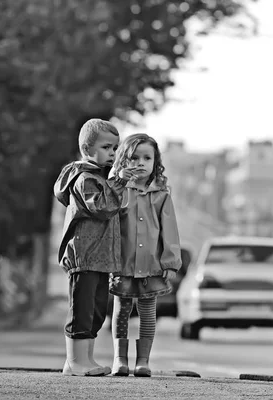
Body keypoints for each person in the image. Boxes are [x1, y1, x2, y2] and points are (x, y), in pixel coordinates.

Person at [54, 119, 139, 376]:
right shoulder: (84, 179)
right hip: (85, 255)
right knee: (82, 309)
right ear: (87, 149)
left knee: (97, 310)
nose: (113, 154)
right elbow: (101, 208)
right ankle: (75, 360)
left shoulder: (103, 178)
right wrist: (118, 182)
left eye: (115, 148)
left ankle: (85, 359)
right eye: (107, 148)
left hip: (101, 257)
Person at [108, 133, 182, 377]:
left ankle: (143, 360)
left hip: (152, 265)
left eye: (146, 158)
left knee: (148, 311)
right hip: (122, 264)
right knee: (121, 311)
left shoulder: (162, 195)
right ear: (122, 162)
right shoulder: (118, 192)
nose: (140, 163)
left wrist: (170, 262)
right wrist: (117, 183)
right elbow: (107, 220)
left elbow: (169, 231)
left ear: (155, 162)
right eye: (134, 158)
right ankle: (120, 359)